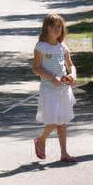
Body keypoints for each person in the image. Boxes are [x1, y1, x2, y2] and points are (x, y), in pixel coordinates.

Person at [32, 13, 78, 163]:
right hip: (49, 89)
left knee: (62, 122)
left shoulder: (62, 46)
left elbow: (70, 65)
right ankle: (41, 139)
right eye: (53, 26)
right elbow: (36, 68)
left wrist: (72, 75)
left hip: (63, 90)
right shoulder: (41, 47)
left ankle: (64, 153)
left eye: (59, 26)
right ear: (46, 28)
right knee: (53, 121)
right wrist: (52, 77)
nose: (57, 29)